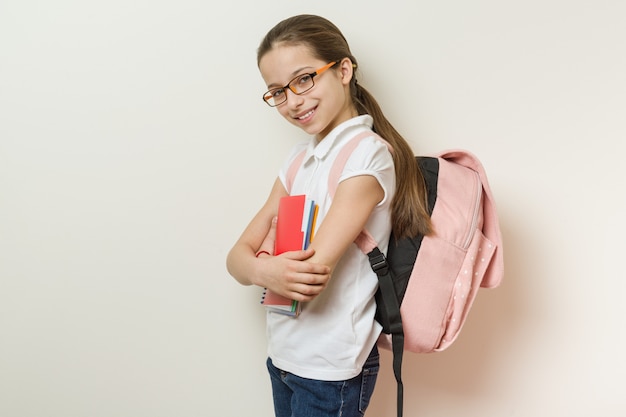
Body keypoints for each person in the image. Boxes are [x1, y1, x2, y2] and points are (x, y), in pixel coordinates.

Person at [226, 14, 431, 417]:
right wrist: (265, 267)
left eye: (304, 79)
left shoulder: (366, 155)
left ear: (343, 69)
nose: (293, 100)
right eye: (278, 92)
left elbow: (309, 276)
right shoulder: (299, 160)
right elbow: (234, 258)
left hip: (330, 368)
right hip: (284, 356)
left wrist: (261, 263)